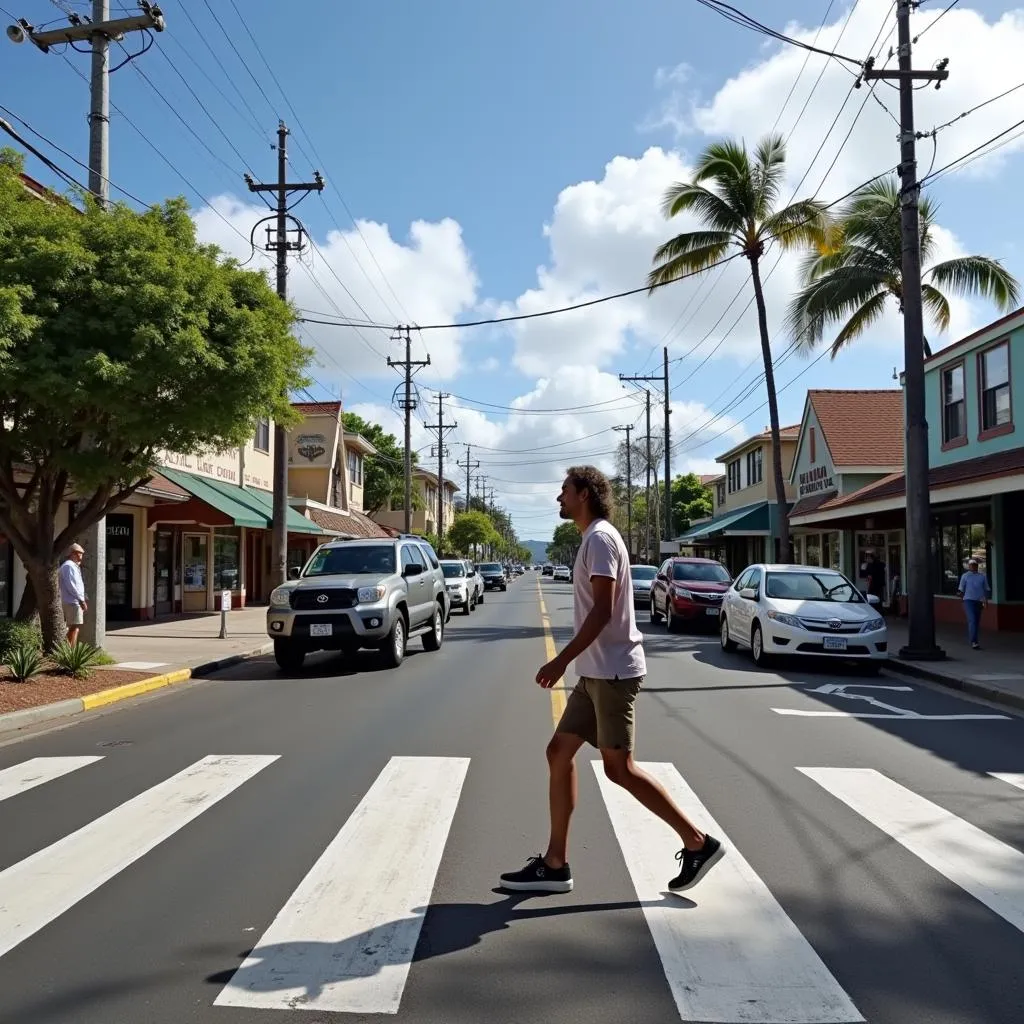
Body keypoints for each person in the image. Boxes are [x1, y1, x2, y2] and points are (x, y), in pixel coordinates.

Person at [500, 465, 724, 895]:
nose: (558, 498)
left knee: (619, 769)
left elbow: (602, 612)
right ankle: (555, 863)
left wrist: (560, 660)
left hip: (614, 672)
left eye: (564, 490)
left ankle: (697, 842)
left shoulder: (601, 539)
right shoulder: (593, 539)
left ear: (584, 493)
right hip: (596, 673)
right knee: (558, 752)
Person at [957, 558, 991, 650]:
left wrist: (985, 600)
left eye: (975, 565)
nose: (973, 566)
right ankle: (974, 641)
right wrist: (961, 596)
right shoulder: (965, 576)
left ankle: (974, 638)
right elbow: (961, 589)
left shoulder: (982, 576)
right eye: (971, 565)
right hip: (968, 600)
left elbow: (986, 589)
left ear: (977, 566)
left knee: (976, 621)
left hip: (979, 601)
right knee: (972, 620)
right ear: (969, 566)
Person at [58, 543, 87, 645]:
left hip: (73, 601)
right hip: (72, 601)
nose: (81, 556)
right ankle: (70, 651)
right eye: (79, 554)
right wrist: (81, 600)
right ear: (72, 554)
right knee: (74, 627)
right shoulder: (69, 566)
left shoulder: (72, 566)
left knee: (74, 627)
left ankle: (69, 650)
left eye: (81, 554)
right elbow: (72, 586)